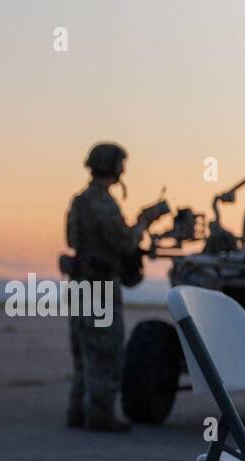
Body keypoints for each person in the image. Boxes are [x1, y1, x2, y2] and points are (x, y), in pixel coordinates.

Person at [64, 142, 164, 432]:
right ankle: (100, 415)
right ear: (114, 167)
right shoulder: (102, 202)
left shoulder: (79, 201)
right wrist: (143, 222)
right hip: (100, 285)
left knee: (83, 349)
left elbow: (72, 240)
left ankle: (76, 411)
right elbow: (123, 242)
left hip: (82, 282)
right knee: (106, 350)